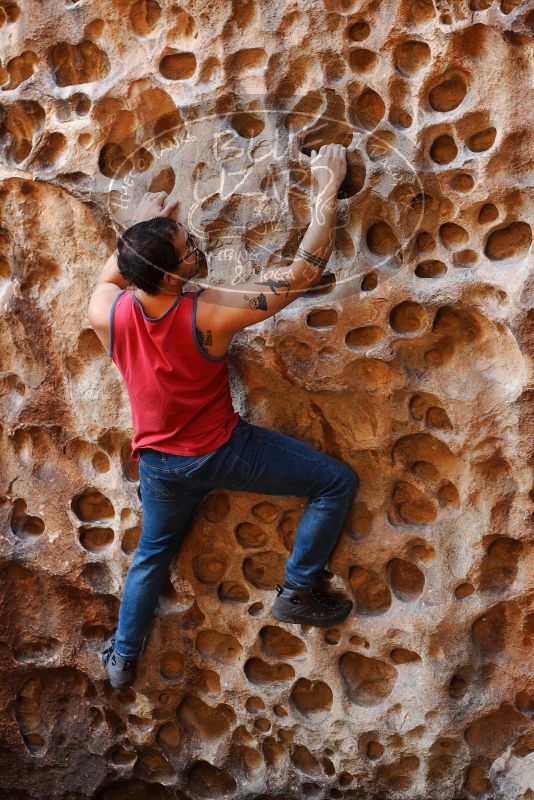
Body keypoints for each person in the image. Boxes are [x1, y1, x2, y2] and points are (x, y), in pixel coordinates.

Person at [87, 143, 359, 689]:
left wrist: (149, 234)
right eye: (187, 251)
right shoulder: (207, 312)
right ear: (168, 277)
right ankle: (299, 589)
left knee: (150, 558)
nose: (196, 251)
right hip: (221, 452)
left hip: (160, 465)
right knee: (335, 483)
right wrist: (326, 191)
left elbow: (110, 274)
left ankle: (122, 659)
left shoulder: (108, 315)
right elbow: (300, 275)